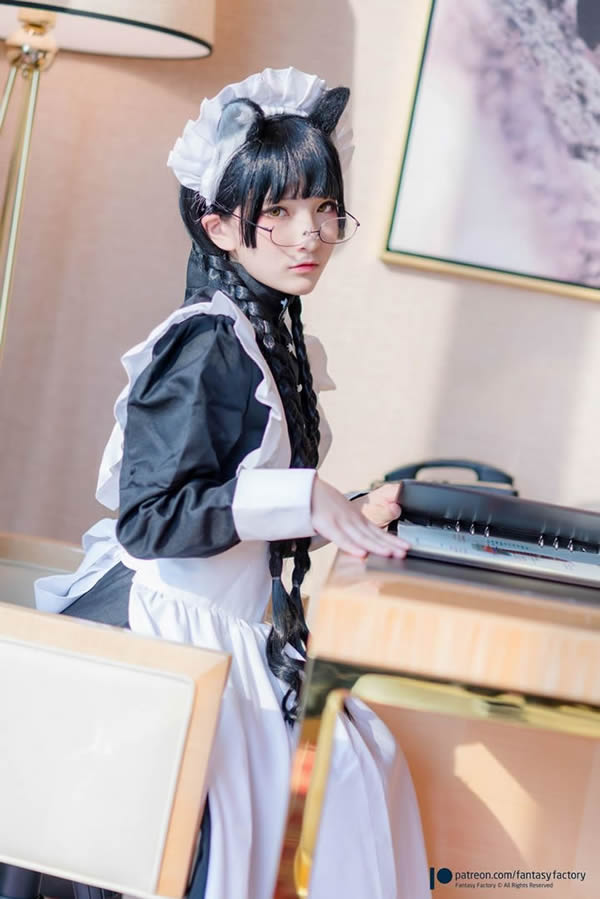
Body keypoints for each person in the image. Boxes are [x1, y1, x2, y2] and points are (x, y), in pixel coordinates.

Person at [35, 68, 429, 899]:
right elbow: (151, 518)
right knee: (331, 793)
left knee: (358, 774)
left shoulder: (265, 333)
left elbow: (239, 498)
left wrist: (345, 510)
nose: (309, 233)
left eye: (324, 207)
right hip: (169, 634)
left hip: (234, 625)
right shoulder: (205, 342)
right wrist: (301, 498)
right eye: (278, 211)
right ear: (218, 226)